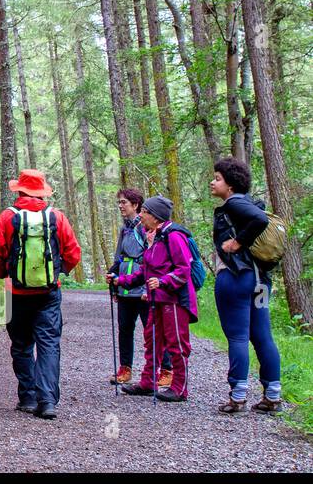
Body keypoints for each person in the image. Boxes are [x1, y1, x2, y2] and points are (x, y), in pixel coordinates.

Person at [0, 169, 81, 420]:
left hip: (15, 292)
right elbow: (73, 253)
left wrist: (3, 276)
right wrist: (59, 272)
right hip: (48, 292)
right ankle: (47, 400)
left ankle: (27, 397)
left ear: (20, 190)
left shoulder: (7, 217)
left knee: (21, 345)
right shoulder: (57, 217)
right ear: (41, 192)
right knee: (49, 345)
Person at [210, 157, 282, 414]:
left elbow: (259, 221)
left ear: (230, 185)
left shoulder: (235, 204)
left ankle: (238, 395)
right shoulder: (250, 204)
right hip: (260, 280)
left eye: (217, 178)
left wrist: (237, 242)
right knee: (263, 336)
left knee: (238, 336)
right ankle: (272, 395)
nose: (213, 182)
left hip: (236, 277)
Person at [109, 195, 196, 402]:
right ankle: (148, 381)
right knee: (152, 339)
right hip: (157, 299)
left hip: (174, 301)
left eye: (145, 212)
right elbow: (146, 271)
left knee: (176, 343)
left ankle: (179, 388)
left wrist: (164, 281)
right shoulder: (155, 237)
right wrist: (120, 280)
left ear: (156, 217)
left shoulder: (174, 236)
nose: (141, 215)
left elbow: (183, 270)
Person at [107, 189, 173, 388]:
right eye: (119, 202)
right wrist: (114, 284)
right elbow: (118, 256)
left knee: (153, 330)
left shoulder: (147, 227)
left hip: (144, 288)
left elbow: (154, 258)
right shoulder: (124, 229)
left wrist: (148, 288)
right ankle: (125, 369)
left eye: (124, 202)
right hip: (126, 287)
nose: (120, 206)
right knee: (124, 329)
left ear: (135, 205)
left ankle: (166, 369)